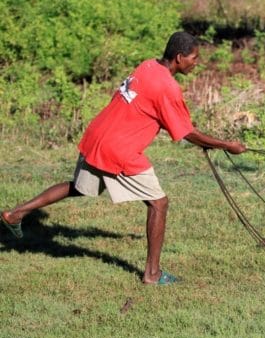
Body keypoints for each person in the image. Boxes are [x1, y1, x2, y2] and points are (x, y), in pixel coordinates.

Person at [1, 31, 246, 285]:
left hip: (98, 135)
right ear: (179, 57)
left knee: (78, 188)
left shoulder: (147, 66)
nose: (197, 63)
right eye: (194, 58)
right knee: (158, 204)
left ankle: (16, 213)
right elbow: (187, 132)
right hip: (118, 149)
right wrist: (227, 145)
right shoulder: (167, 87)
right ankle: (152, 274)